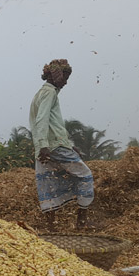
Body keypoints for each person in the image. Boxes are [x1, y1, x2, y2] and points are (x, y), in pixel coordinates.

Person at [29, 59, 94, 230]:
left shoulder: (41, 93)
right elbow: (41, 119)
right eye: (64, 77)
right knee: (85, 176)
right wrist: (44, 145)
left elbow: (51, 124)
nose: (66, 82)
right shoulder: (49, 93)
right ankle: (81, 222)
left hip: (47, 146)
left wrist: (68, 145)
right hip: (52, 146)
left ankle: (51, 227)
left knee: (48, 182)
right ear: (56, 75)